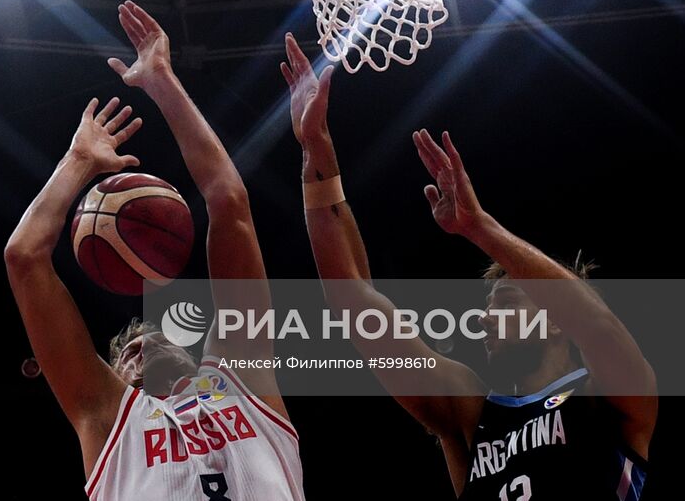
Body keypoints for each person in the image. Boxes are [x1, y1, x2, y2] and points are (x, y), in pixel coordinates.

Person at [280, 32, 655, 500]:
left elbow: (595, 323)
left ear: (556, 322)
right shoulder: (471, 411)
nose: (483, 317)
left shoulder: (613, 395)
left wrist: (480, 228)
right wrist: (317, 152)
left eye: (507, 302)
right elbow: (354, 300)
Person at [4, 1, 303, 500]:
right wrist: (78, 161)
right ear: (117, 380)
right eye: (125, 354)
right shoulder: (106, 419)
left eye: (149, 338)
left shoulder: (243, 384)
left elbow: (229, 204)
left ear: (194, 355)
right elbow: (24, 258)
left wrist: (162, 80)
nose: (138, 347)